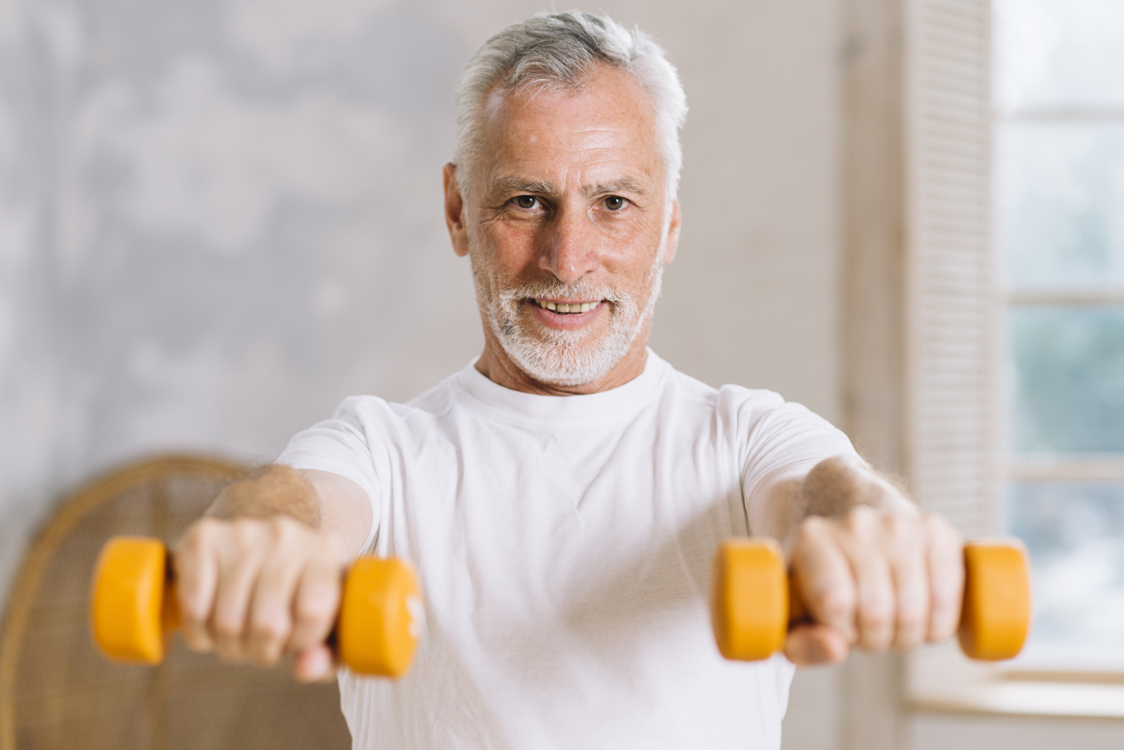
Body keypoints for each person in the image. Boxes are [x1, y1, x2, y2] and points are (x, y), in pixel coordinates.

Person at [171, 11, 963, 749]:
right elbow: (302, 499)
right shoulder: (382, 449)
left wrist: (866, 533)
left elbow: (828, 492)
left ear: (669, 227)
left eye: (613, 202)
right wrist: (264, 537)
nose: (567, 259)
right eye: (526, 202)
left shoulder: (747, 439)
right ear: (457, 211)